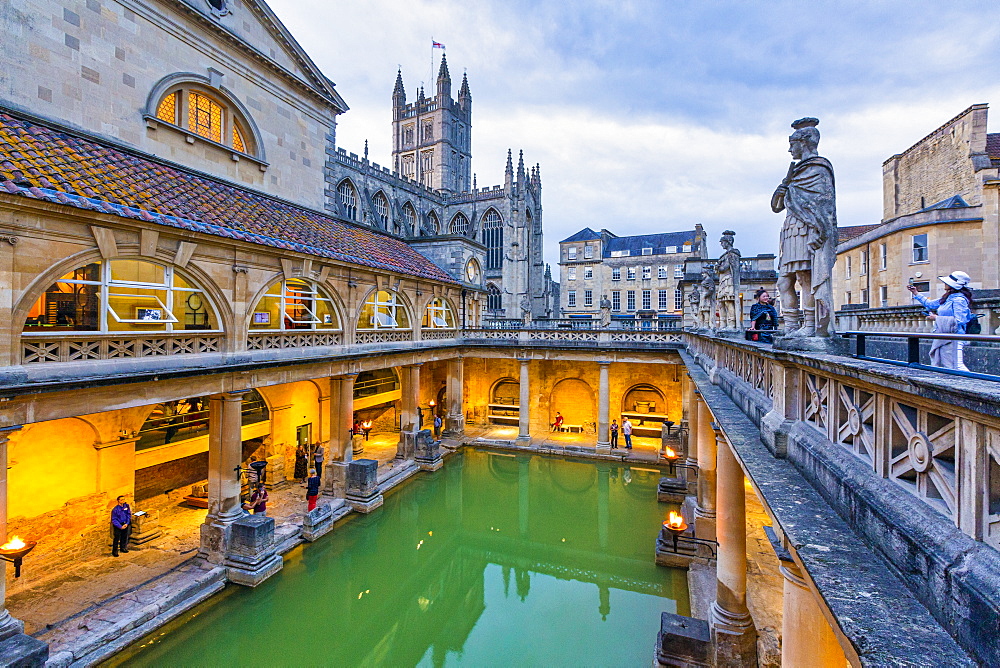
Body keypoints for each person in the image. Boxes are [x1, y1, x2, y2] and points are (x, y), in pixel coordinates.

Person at [908, 272, 974, 371]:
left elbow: (960, 320)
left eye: (947, 282)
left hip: (954, 337)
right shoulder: (948, 297)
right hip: (945, 335)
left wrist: (937, 318)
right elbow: (930, 304)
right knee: (949, 365)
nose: (944, 284)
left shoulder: (959, 300)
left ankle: (971, 384)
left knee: (957, 366)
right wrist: (916, 293)